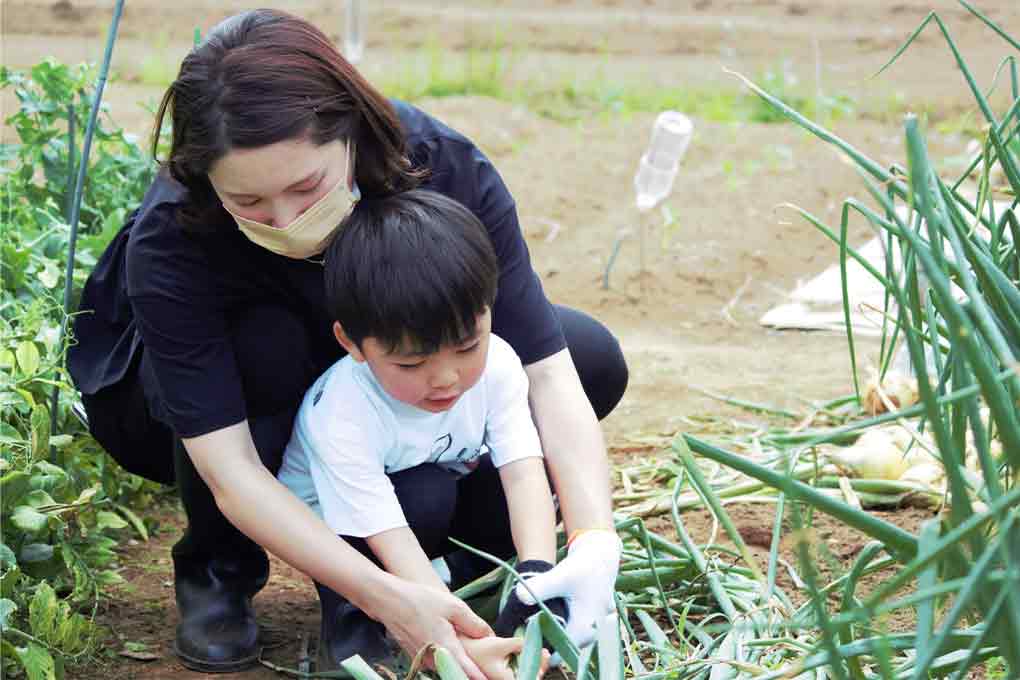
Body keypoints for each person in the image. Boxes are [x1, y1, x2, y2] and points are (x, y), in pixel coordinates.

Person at [67, 8, 627, 677]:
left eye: (307, 187)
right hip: (209, 409)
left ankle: (462, 549)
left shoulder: (438, 164)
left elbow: (548, 373)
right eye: (249, 203)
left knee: (587, 356)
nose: (286, 220)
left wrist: (594, 542)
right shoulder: (173, 236)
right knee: (266, 348)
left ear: (351, 130)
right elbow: (231, 471)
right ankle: (218, 569)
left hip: (375, 368)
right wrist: (389, 599)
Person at [277, 188, 566, 673]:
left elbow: (522, 472)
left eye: (467, 346)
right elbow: (386, 532)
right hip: (349, 533)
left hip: (431, 485)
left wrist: (538, 576)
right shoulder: (343, 413)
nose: (447, 378)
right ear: (353, 343)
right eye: (411, 363)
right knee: (423, 494)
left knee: (541, 483)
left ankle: (452, 575)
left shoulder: (498, 364)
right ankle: (355, 614)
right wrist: (455, 639)